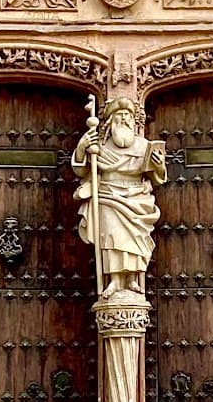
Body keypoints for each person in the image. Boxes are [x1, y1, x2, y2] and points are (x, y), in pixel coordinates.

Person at [71, 98, 167, 297]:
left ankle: (132, 278)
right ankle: (114, 280)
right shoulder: (99, 146)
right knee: (112, 237)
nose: (124, 119)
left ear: (134, 121)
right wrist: (82, 148)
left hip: (137, 198)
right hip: (108, 195)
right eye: (120, 115)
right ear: (111, 120)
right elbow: (81, 171)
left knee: (135, 240)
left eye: (128, 116)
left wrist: (158, 165)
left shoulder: (143, 146)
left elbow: (157, 177)